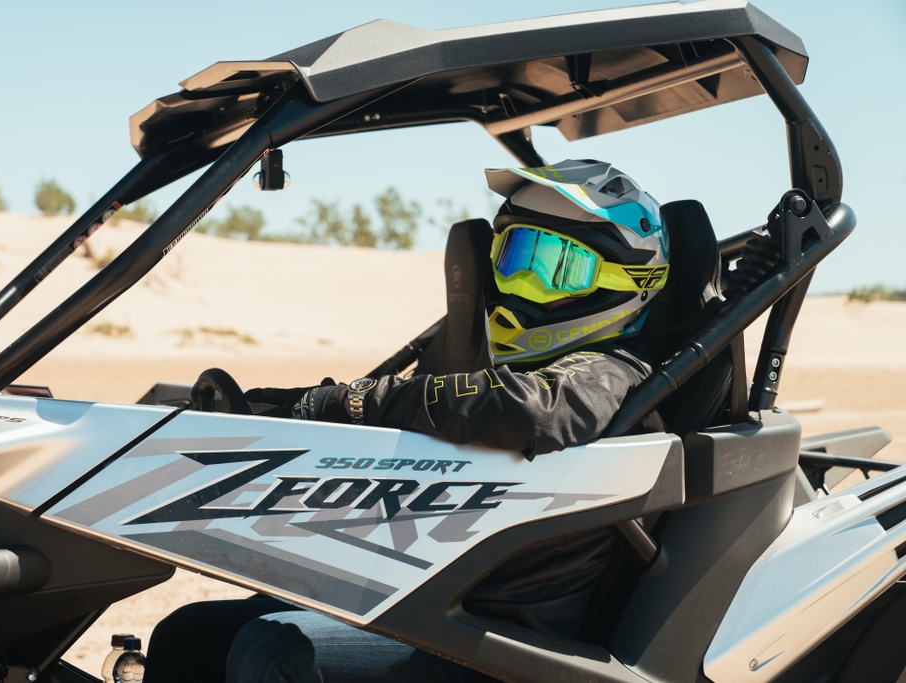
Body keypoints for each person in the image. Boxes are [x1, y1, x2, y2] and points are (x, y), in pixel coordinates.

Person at [143, 159, 671, 683]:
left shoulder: (614, 370)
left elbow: (532, 411)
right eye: (516, 257)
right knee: (188, 634)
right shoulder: (504, 369)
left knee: (280, 653)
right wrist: (300, 409)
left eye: (557, 268)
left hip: (496, 642)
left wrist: (353, 402)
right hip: (422, 596)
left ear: (626, 281)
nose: (522, 283)